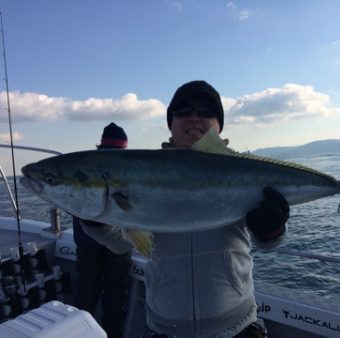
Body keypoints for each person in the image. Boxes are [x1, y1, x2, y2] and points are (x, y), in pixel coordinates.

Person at [82, 81, 289, 338]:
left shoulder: (242, 169)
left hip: (238, 326)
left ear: (219, 124)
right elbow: (124, 243)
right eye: (182, 110)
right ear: (171, 123)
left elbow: (268, 244)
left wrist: (273, 229)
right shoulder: (143, 175)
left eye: (205, 110)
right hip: (165, 329)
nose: (194, 116)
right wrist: (94, 220)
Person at [72, 122, 133, 338]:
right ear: (124, 148)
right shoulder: (125, 167)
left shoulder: (85, 168)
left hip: (86, 241)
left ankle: (79, 333)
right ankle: (112, 334)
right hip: (117, 241)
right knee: (115, 291)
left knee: (87, 289)